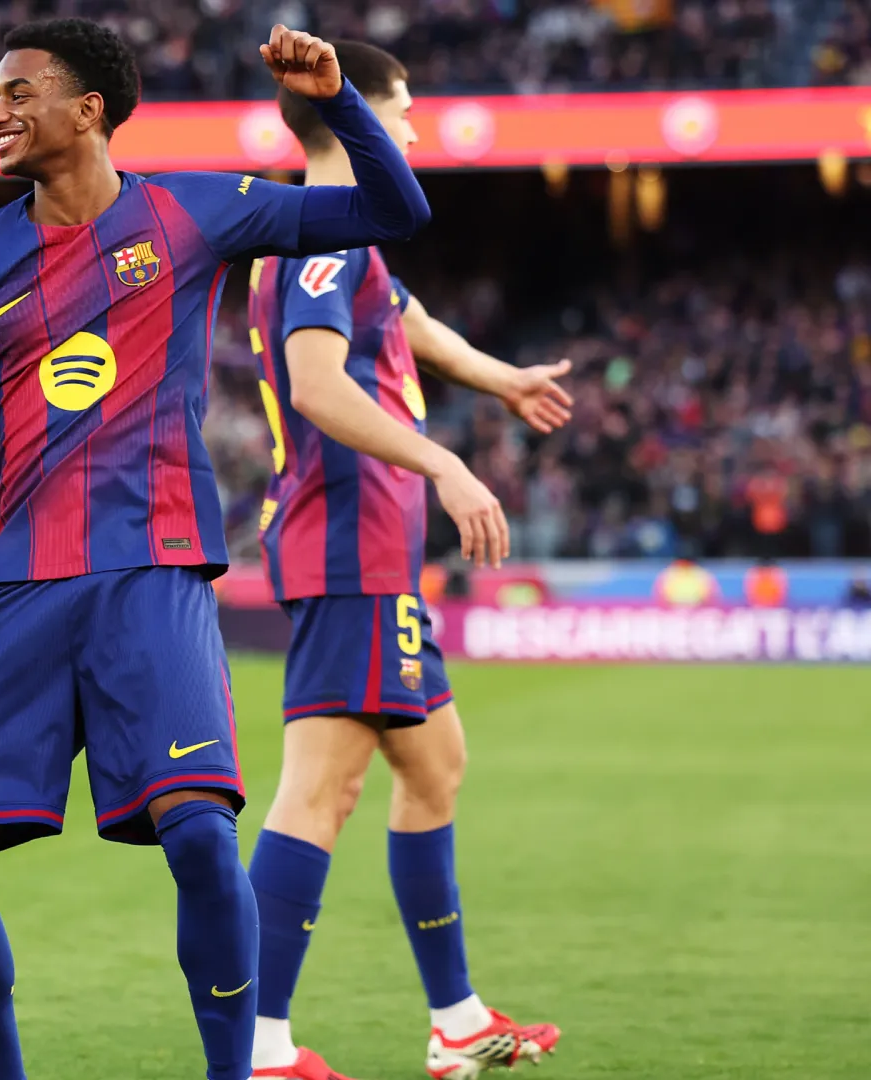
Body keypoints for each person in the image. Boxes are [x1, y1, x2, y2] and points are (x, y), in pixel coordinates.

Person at [0, 20, 430, 1080]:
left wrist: (343, 99)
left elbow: (397, 208)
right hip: (20, 586)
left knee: (200, 836)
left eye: (17, 91)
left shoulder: (194, 209)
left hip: (154, 571)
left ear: (88, 109)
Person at [244, 40, 570, 1080]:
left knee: (434, 765)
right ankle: (256, 1045)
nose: (419, 127)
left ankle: (458, 1020)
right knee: (320, 790)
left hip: (367, 551)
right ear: (359, 121)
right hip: (348, 546)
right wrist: (448, 466)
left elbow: (418, 333)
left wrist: (505, 379)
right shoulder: (320, 251)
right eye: (408, 109)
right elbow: (315, 383)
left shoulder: (346, 242)